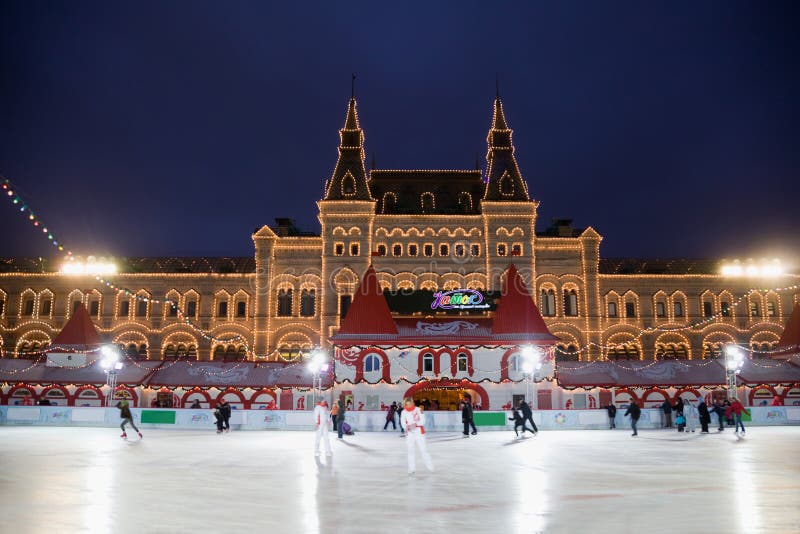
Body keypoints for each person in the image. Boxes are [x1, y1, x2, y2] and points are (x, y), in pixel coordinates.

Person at [400, 397, 433, 475]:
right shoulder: (403, 412)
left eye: (410, 403)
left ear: (412, 403)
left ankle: (430, 466)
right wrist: (407, 427)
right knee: (410, 451)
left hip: (419, 432)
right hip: (410, 433)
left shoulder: (418, 409)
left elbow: (423, 421)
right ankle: (412, 469)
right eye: (407, 404)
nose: (408, 405)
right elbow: (402, 423)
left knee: (423, 450)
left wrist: (415, 424)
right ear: (405, 404)